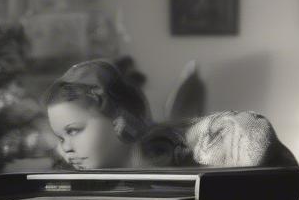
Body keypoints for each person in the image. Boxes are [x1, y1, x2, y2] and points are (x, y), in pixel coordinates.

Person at [44, 59, 193, 170]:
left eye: (73, 130)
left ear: (119, 120)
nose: (66, 148)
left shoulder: (180, 159)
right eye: (61, 138)